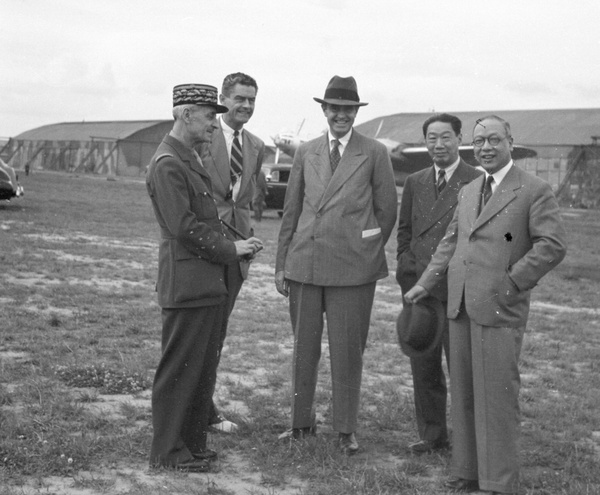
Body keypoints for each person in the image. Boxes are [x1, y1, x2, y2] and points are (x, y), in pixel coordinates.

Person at [404, 115, 567, 494]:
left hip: (499, 307)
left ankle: (499, 481)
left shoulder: (533, 189)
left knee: (496, 397)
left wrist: (512, 282)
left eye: (494, 139)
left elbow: (552, 245)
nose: (486, 148)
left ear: (511, 141)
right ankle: (467, 471)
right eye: (479, 142)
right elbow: (450, 242)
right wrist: (425, 284)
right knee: (464, 394)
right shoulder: (470, 188)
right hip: (459, 304)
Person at [275, 75, 397, 455]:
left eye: (348, 109)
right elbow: (291, 209)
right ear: (324, 110)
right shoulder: (307, 151)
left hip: (352, 271)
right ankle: (300, 423)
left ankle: (346, 429)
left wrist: (363, 247)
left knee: (347, 351)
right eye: (334, 108)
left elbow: (387, 210)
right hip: (305, 266)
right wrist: (282, 263)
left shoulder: (374, 152)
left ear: (355, 113)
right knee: (303, 349)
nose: (340, 115)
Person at [146, 83, 263, 472]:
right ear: (185, 115)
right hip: (187, 284)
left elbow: (206, 220)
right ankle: (167, 451)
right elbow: (184, 227)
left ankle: (191, 445)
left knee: (198, 368)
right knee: (179, 368)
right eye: (210, 115)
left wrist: (237, 243)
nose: (216, 122)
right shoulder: (168, 163)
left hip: (205, 282)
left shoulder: (188, 158)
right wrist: (233, 250)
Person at [396, 113, 482, 454]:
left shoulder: (476, 179)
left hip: (458, 287)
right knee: (424, 363)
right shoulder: (416, 181)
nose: (438, 145)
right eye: (431, 138)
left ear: (459, 139)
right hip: (419, 288)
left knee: (462, 366)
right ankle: (432, 434)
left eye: (446, 137)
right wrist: (405, 264)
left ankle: (467, 438)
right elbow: (404, 231)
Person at [198, 72, 265, 433]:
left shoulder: (255, 145)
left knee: (218, 332)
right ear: (224, 99)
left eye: (252, 99)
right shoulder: (203, 138)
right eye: (240, 98)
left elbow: (245, 199)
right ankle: (198, 409)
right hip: (206, 249)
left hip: (237, 256)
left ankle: (204, 408)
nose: (246, 106)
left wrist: (247, 242)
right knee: (201, 332)